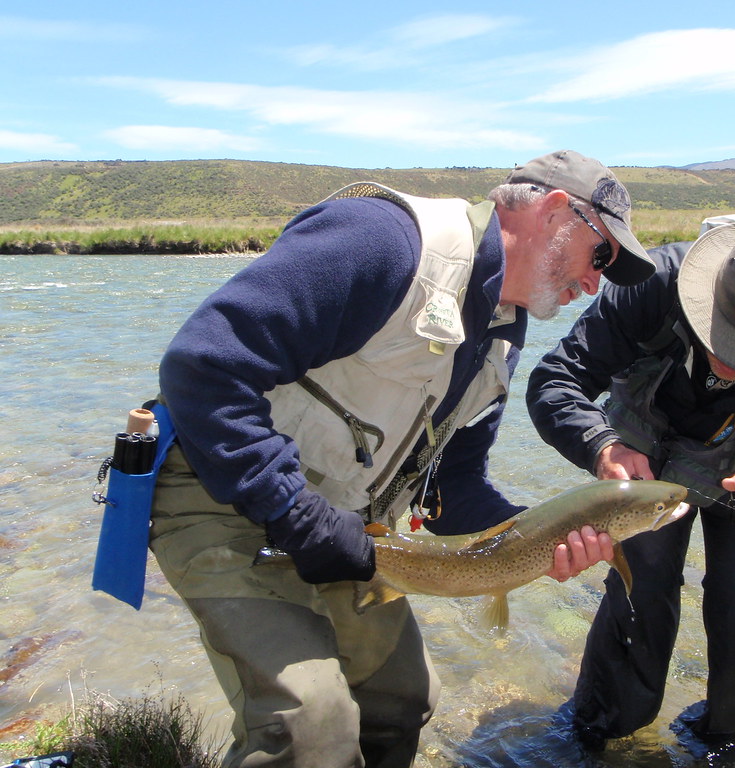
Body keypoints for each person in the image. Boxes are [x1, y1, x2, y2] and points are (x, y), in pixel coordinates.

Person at [147, 149, 656, 768]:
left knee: (404, 698)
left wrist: (540, 540)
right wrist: (300, 518)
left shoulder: (502, 330)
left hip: (343, 527)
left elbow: (456, 489)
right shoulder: (383, 241)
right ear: (554, 213)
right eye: (600, 255)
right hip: (218, 491)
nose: (596, 284)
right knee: (311, 728)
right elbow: (202, 366)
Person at [527, 220, 735, 750]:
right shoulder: (651, 286)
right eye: (723, 340)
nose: (731, 362)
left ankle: (724, 738)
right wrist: (601, 445)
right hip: (644, 455)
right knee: (641, 587)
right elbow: (556, 380)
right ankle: (604, 734)